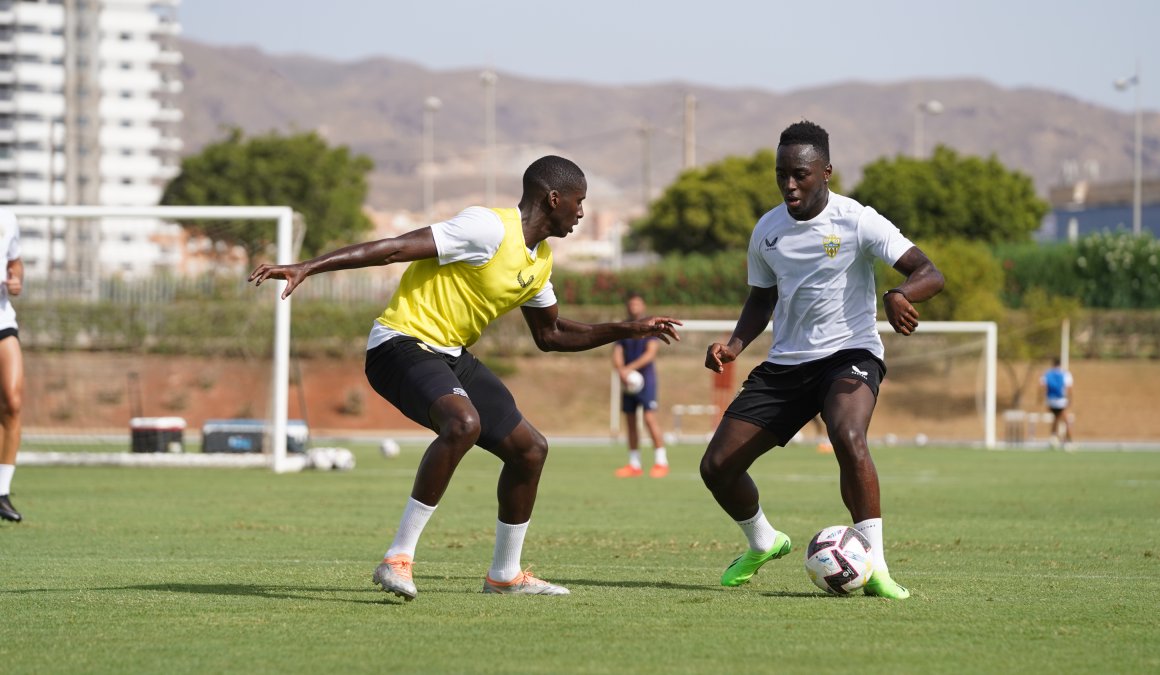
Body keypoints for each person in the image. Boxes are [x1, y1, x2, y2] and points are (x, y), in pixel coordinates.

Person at [249, 156, 681, 601]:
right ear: (554, 199)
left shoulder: (541, 261)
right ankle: (397, 558)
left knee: (530, 450)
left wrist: (629, 329)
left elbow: (551, 335)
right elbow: (395, 248)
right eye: (579, 201)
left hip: (451, 355)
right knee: (464, 423)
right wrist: (309, 266)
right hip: (399, 344)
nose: (582, 213)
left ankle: (504, 575)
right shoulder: (487, 228)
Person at [698, 121, 944, 599]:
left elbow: (929, 272)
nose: (790, 184)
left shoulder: (858, 220)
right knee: (717, 466)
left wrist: (900, 293)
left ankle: (875, 566)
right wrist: (734, 345)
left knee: (848, 435)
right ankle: (763, 541)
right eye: (781, 174)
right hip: (788, 364)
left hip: (850, 352)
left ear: (826, 172)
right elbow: (760, 298)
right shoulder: (767, 231)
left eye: (801, 174)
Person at [612, 291, 669, 478]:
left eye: (637, 304)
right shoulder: (623, 328)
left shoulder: (649, 327)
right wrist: (621, 371)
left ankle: (661, 462)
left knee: (649, 418)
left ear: (643, 306)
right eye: (631, 304)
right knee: (629, 421)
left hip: (646, 380)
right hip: (628, 382)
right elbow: (617, 352)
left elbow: (651, 353)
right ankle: (634, 464)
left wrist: (629, 368)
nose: (634, 307)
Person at [0, 209, 25, 523]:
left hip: (2, 320)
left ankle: (1, 492)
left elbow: (15, 261)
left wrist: (16, 278)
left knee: (13, 401)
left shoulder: (6, 217)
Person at [1040, 357, 1074, 447]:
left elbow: (1043, 386)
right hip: (1061, 400)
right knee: (1066, 420)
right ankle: (1069, 441)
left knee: (1056, 418)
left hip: (1050, 400)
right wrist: (1070, 400)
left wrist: (1042, 399)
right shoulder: (1065, 374)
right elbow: (1069, 388)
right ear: (1060, 364)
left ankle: (1053, 439)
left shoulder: (1047, 374)